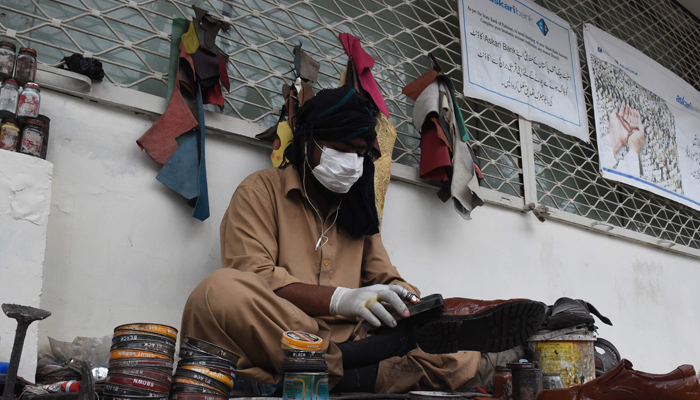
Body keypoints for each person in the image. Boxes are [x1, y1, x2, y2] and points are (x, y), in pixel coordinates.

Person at [180, 86, 543, 394]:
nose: (352, 163)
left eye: (360, 154)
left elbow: (385, 276)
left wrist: (406, 301)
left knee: (454, 351)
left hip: (360, 342)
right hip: (288, 334)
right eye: (341, 149)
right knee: (217, 293)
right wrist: (341, 299)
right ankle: (350, 372)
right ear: (307, 144)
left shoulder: (357, 208)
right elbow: (253, 275)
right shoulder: (261, 191)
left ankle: (340, 375)